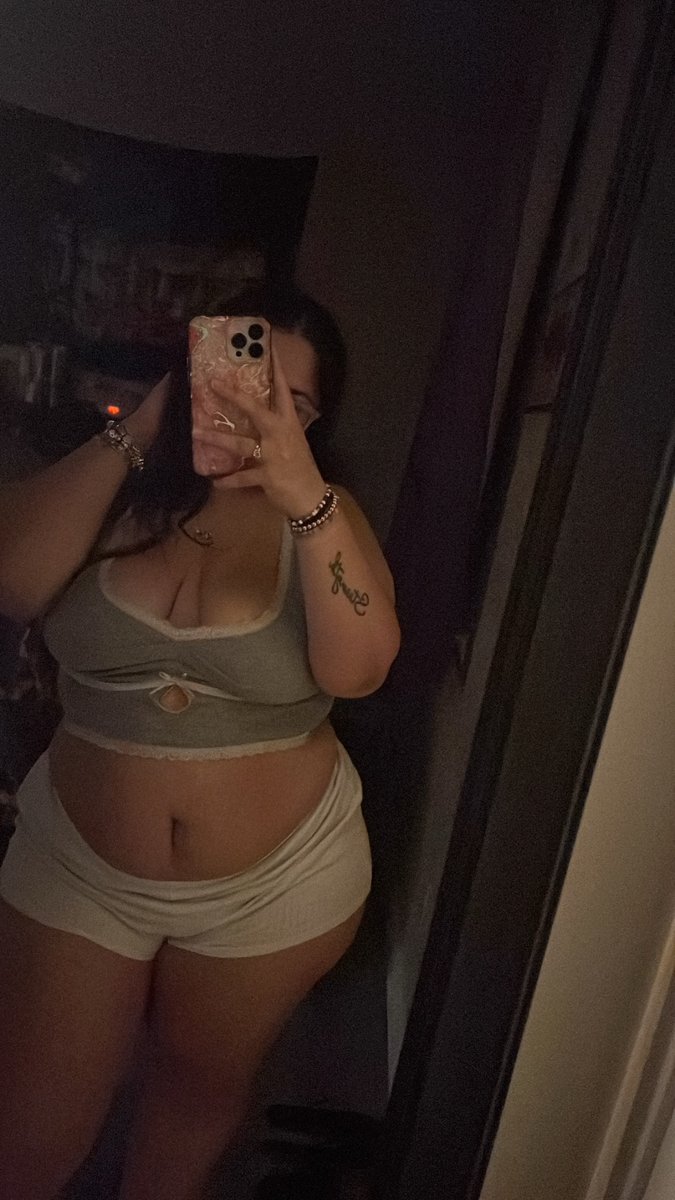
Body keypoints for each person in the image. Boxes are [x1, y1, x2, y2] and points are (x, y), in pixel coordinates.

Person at [0, 284, 401, 1200]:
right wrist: (146, 422)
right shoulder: (117, 486)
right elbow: (16, 582)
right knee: (26, 1135)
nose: (261, 417)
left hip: (273, 885)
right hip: (80, 865)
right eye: (243, 385)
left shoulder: (323, 514)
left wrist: (304, 497)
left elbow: (362, 670)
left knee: (192, 1097)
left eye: (292, 405)